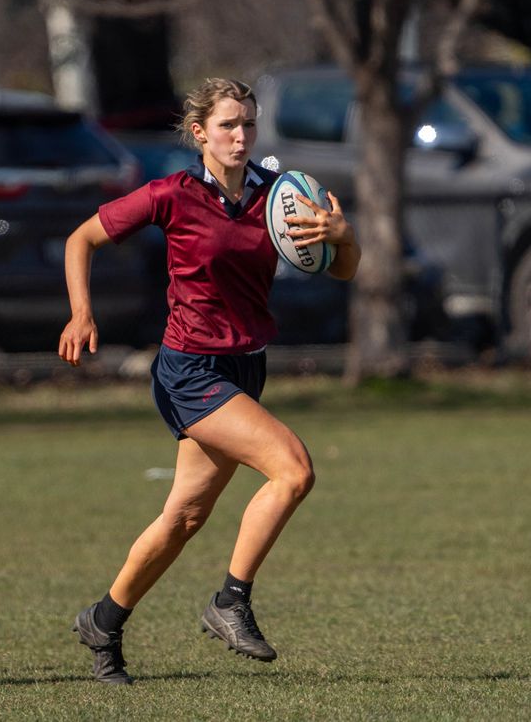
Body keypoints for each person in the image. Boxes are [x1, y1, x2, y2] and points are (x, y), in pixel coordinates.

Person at [58, 77, 361, 685]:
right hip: (190, 369)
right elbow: (81, 239)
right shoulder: (172, 194)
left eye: (248, 124)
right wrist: (81, 312)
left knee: (184, 517)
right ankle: (231, 601)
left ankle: (104, 622)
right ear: (200, 133)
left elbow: (344, 271)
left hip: (246, 365)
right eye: (228, 125)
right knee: (293, 470)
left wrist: (342, 238)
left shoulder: (278, 195)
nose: (241, 136)